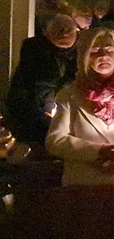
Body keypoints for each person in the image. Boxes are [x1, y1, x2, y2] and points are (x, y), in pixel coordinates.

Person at [46, 27, 114, 186]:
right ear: (85, 56)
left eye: (110, 50)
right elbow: (55, 139)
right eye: (95, 51)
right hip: (84, 183)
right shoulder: (69, 95)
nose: (104, 56)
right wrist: (98, 151)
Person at [5, 13, 79, 148]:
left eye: (69, 31)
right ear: (46, 33)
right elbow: (18, 96)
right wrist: (39, 116)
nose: (64, 35)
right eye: (58, 30)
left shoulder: (81, 56)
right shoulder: (34, 55)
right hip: (37, 126)